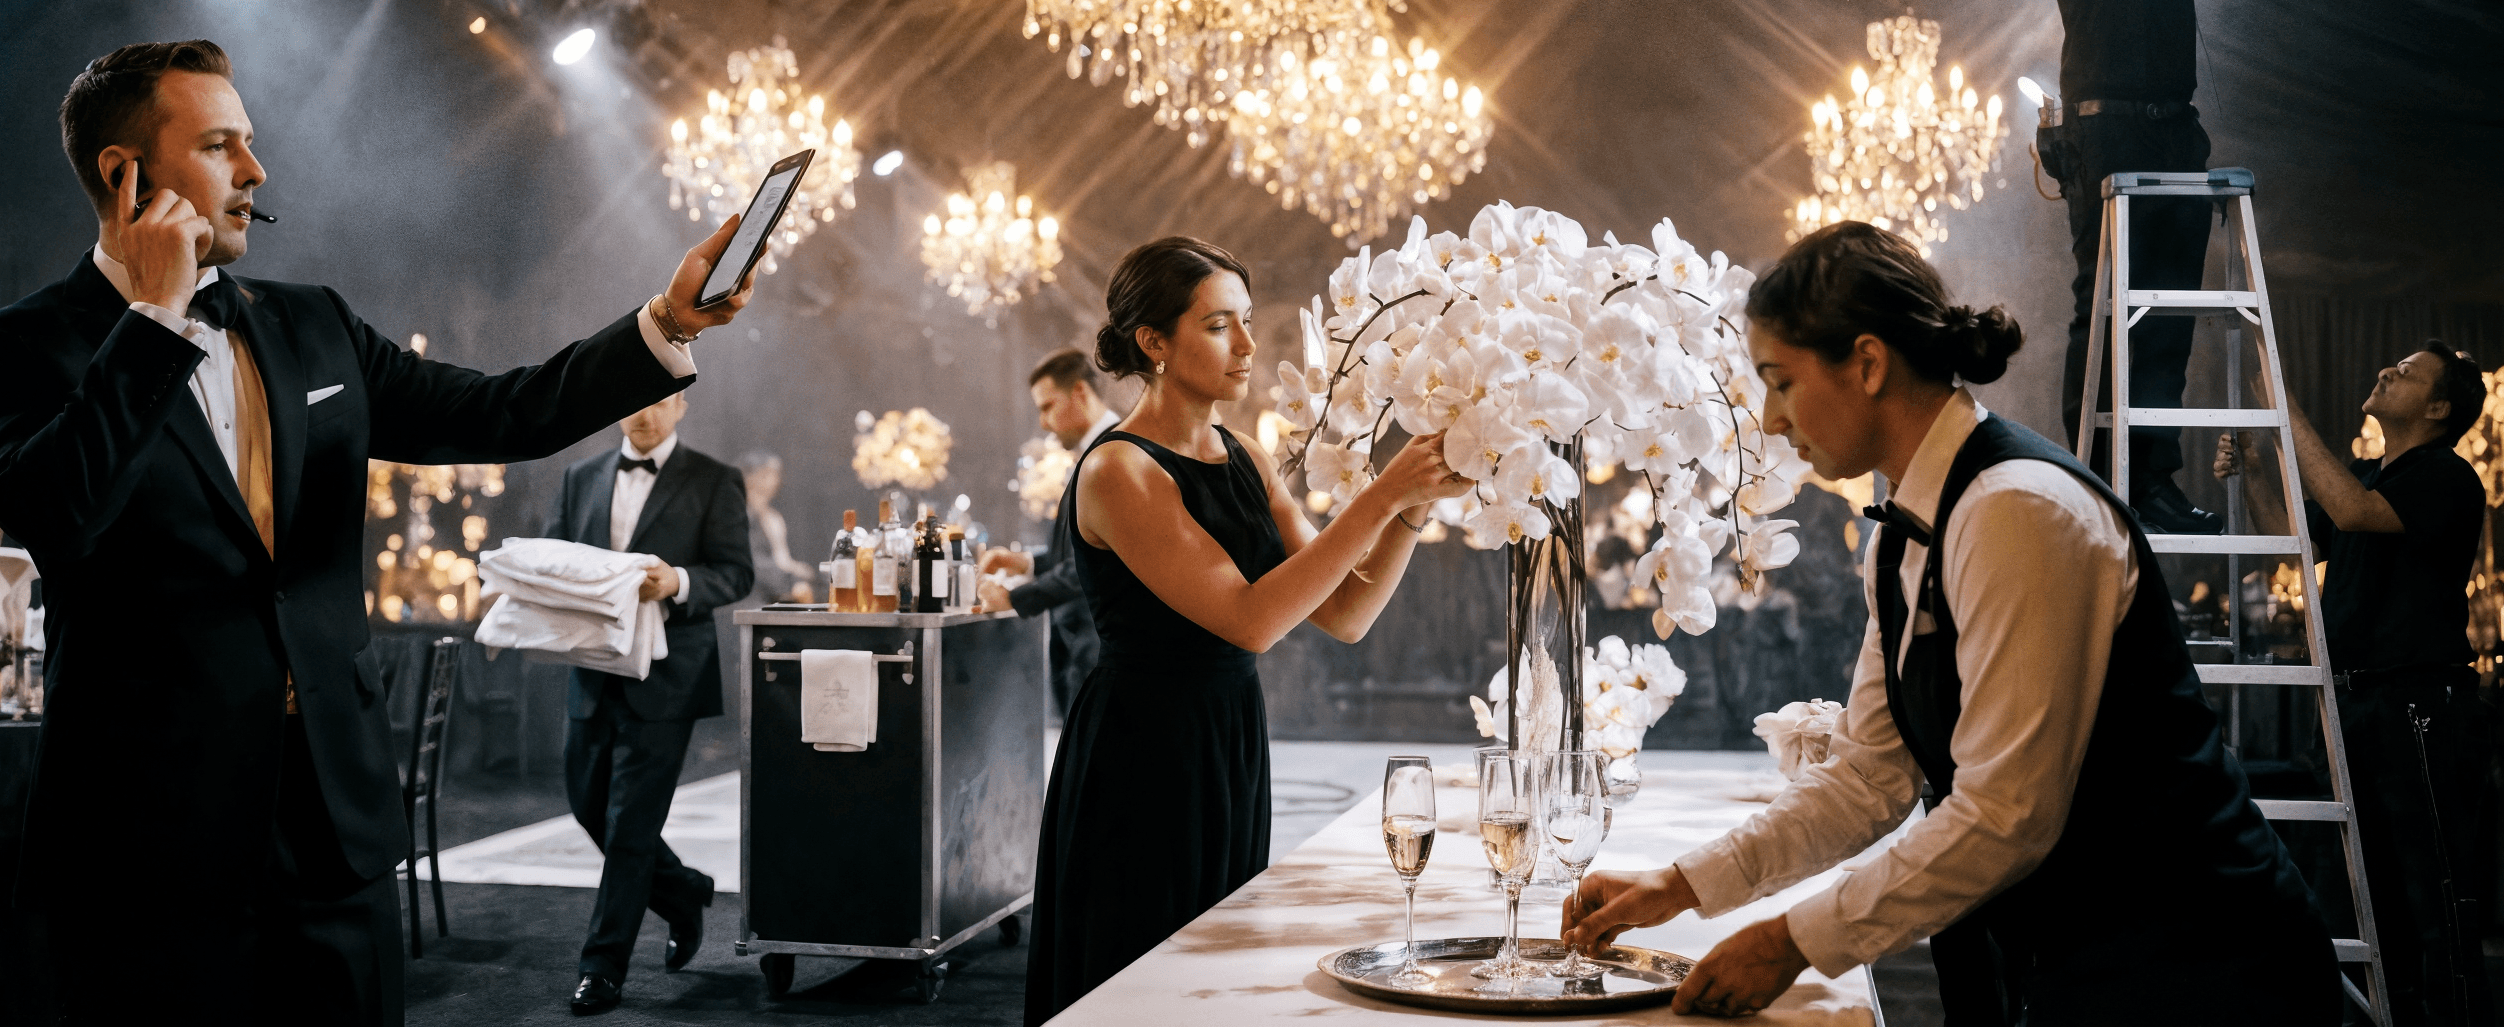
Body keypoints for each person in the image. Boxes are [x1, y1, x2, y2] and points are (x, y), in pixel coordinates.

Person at [0, 40, 755, 1026]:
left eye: (250, 143)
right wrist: (154, 318)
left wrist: (667, 321)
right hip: (147, 841)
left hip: (335, 824)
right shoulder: (9, 349)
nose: (255, 171)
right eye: (220, 146)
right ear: (127, 176)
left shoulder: (313, 325)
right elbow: (56, 514)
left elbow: (504, 412)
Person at [1563, 222, 2333, 1024]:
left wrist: (1792, 941)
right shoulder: (1905, 531)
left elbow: (2007, 815)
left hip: (2201, 966)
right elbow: (1868, 779)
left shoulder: (2018, 511)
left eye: (1781, 382)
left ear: (1868, 364)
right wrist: (1681, 885)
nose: (1770, 419)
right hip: (2081, 961)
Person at [1024, 238, 1466, 1025]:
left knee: (1211, 972)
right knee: (1137, 977)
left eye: (1247, 321)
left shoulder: (1245, 457)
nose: (1249, 346)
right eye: (1219, 325)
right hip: (1141, 749)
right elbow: (1252, 620)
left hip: (1228, 737)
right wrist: (1380, 495)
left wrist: (1410, 507)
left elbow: (1347, 613)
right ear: (1154, 343)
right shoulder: (1119, 470)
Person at [2040, 0, 2275, 535]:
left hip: (2175, 130)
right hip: (2107, 133)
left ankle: (2152, 479)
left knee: (2170, 309)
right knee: (2105, 302)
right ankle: (2092, 474)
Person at [2218, 342, 2496, 1026]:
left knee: (2436, 897)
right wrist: (2255, 469)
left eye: (2408, 373)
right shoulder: (2372, 475)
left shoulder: (2446, 477)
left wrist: (2284, 409)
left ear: (2438, 408)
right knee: (2374, 902)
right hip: (2358, 702)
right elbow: (2295, 537)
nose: (2385, 371)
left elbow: (2350, 513)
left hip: (2418, 704)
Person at [547, 389, 754, 1015]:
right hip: (592, 670)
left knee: (631, 827)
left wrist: (679, 582)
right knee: (587, 806)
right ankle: (683, 891)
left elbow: (735, 572)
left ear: (681, 406)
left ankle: (601, 967)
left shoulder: (715, 479)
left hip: (669, 675)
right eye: (633, 400)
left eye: (658, 401)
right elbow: (555, 556)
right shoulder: (579, 477)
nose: (644, 413)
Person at [975, 348, 1118, 715]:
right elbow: (1088, 549)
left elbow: (1095, 566)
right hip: (1086, 656)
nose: (1043, 422)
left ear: (1081, 392)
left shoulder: (1113, 455)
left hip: (1102, 658)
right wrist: (1024, 562)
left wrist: (1015, 598)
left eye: (1048, 406)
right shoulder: (1097, 452)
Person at [737, 450, 814, 605]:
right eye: (766, 474)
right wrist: (792, 581)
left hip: (775, 586)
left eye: (776, 474)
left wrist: (796, 572)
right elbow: (754, 561)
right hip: (751, 595)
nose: (774, 481)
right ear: (749, 478)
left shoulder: (773, 517)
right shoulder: (740, 516)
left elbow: (781, 559)